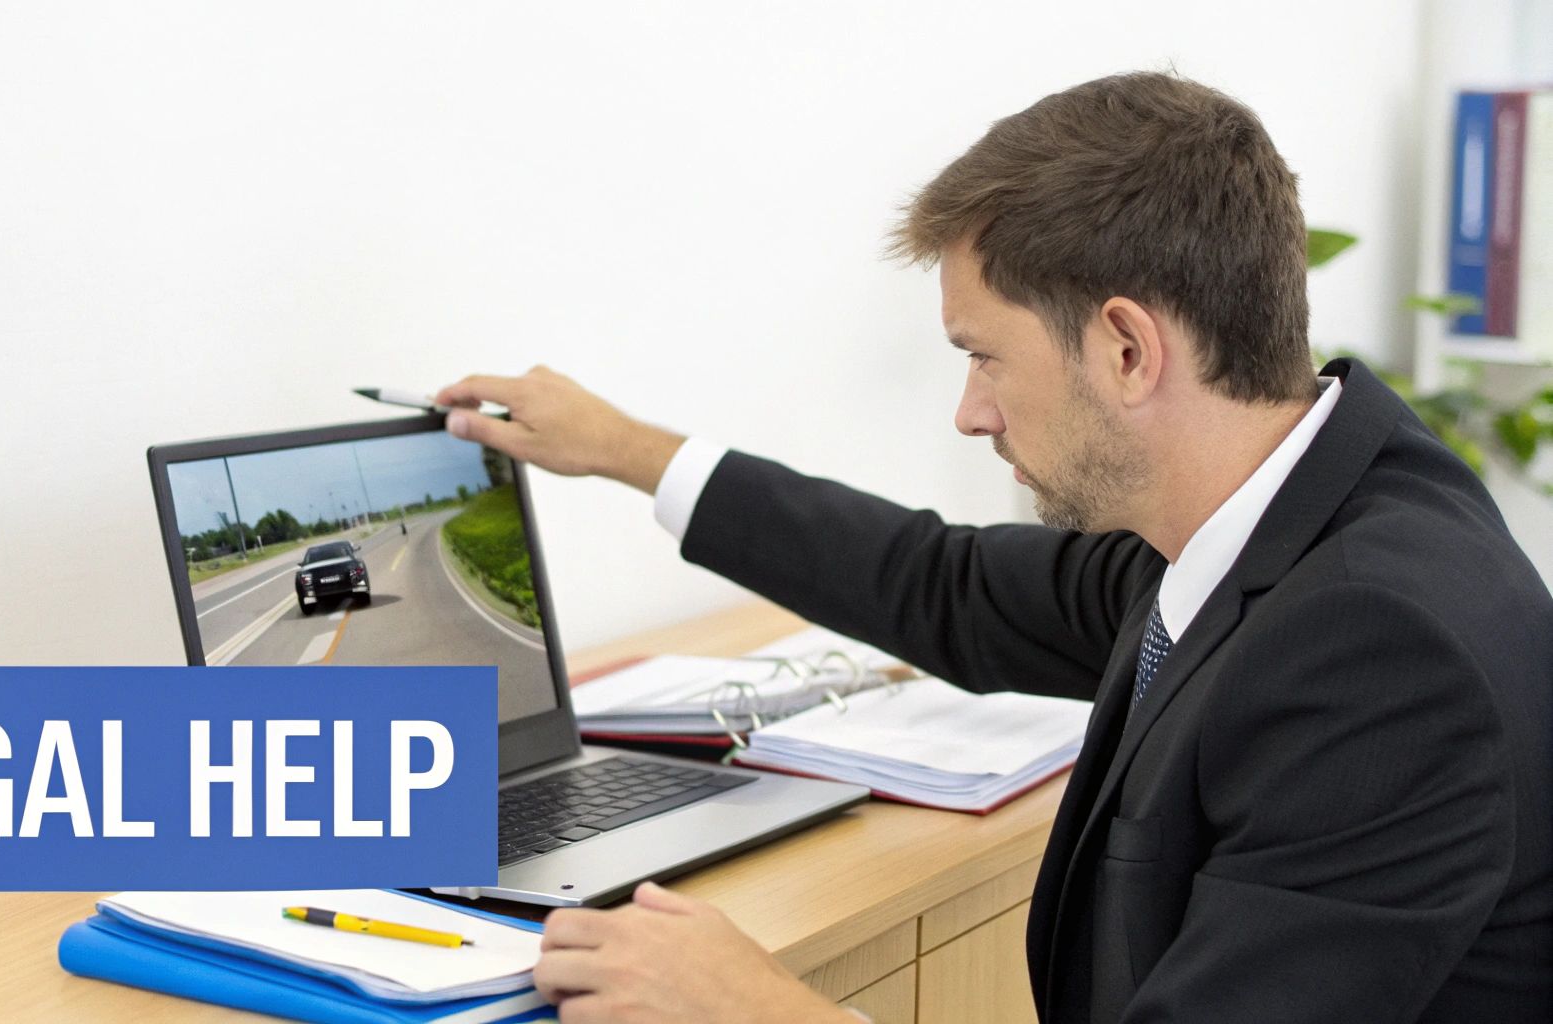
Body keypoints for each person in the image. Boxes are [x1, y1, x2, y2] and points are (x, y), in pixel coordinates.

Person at [436, 72, 1553, 1023]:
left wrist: (763, 1008)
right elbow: (946, 584)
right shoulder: (1287, 511)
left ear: (1126, 350)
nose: (970, 413)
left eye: (983, 356)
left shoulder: (1373, 651)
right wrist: (629, 451)